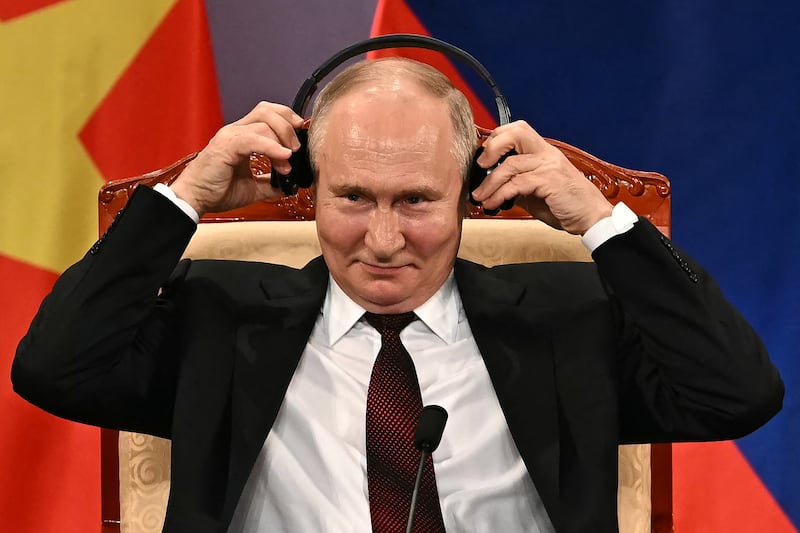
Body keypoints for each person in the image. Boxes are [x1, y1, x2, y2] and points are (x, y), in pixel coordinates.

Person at [12, 58, 783, 533]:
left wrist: (598, 218)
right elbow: (55, 367)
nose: (382, 241)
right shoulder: (219, 314)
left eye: (415, 199)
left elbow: (736, 393)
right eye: (352, 197)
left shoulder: (567, 315)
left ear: (471, 192)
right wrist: (189, 195)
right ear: (307, 190)